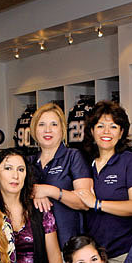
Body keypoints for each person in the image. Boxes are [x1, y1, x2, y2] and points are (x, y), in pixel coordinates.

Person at [75, 101, 132, 263]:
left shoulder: (130, 161)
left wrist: (97, 204)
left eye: (113, 126)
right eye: (100, 126)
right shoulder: (82, 162)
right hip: (91, 256)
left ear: (121, 132)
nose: (106, 132)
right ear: (92, 131)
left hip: (123, 253)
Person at [28, 102, 94, 247]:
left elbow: (85, 203)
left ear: (62, 129)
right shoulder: (28, 162)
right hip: (37, 246)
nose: (47, 130)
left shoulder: (73, 157)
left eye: (54, 124)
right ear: (34, 130)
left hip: (69, 244)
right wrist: (36, 192)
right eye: (41, 125)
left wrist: (50, 191)